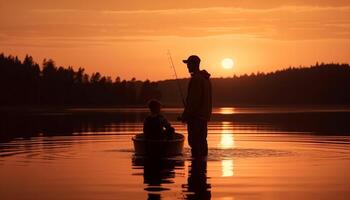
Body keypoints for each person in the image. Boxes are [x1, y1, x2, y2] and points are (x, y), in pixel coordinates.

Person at [180, 55, 212, 158]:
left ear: (195, 64)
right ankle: (202, 166)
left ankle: (196, 167)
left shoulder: (196, 80)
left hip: (195, 118)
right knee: (202, 141)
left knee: (194, 143)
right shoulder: (206, 79)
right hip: (204, 117)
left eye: (189, 64)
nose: (187, 67)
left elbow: (194, 101)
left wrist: (185, 116)